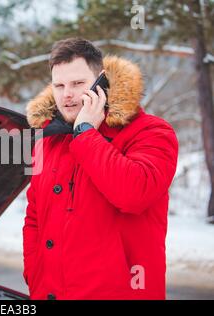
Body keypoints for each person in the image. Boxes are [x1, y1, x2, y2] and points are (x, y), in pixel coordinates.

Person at [22, 37, 179, 300]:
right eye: (59, 85)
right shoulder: (49, 141)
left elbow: (135, 194)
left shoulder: (151, 132)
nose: (67, 94)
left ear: (101, 82)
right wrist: (35, 276)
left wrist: (85, 133)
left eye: (77, 83)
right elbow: (34, 218)